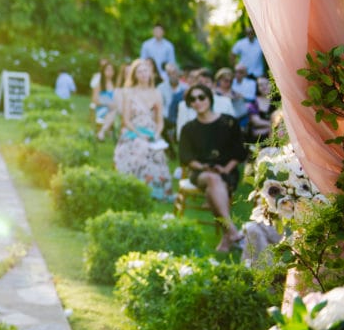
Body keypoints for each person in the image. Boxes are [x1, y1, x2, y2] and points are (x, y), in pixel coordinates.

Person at [178, 84, 247, 252]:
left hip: (227, 171)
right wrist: (203, 167)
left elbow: (239, 152)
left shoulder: (229, 122)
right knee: (212, 179)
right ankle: (233, 232)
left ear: (209, 98)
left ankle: (227, 238)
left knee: (213, 189)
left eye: (201, 97)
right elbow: (186, 157)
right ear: (190, 104)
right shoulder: (188, 129)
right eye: (192, 99)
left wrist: (226, 169)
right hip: (201, 172)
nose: (198, 101)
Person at [113, 58, 172, 202]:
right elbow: (126, 120)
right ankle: (133, 189)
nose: (143, 74)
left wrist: (156, 135)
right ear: (135, 75)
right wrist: (139, 135)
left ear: (150, 73)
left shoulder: (157, 93)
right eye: (139, 71)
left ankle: (155, 192)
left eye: (145, 70)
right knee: (140, 148)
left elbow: (160, 122)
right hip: (134, 131)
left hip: (151, 132)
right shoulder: (129, 92)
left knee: (157, 153)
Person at [246, 74, 276, 143]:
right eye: (260, 85)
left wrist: (270, 128)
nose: (264, 87)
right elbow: (256, 122)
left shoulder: (278, 99)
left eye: (267, 83)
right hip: (259, 140)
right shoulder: (253, 103)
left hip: (278, 137)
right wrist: (273, 126)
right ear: (257, 87)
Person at [92, 62, 116, 127]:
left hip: (112, 109)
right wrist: (108, 104)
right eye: (108, 70)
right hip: (102, 109)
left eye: (111, 70)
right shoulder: (99, 85)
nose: (110, 72)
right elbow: (95, 100)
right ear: (103, 71)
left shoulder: (114, 85)